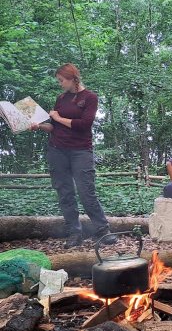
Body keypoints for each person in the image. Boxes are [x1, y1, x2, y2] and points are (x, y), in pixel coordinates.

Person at [30, 63, 116, 249]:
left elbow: (84, 124)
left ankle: (102, 230)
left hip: (81, 151)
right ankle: (74, 233)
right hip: (57, 150)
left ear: (73, 79)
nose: (60, 84)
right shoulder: (61, 98)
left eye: (62, 80)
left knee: (86, 191)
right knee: (65, 192)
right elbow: (53, 126)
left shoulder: (90, 97)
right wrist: (38, 125)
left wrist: (59, 118)